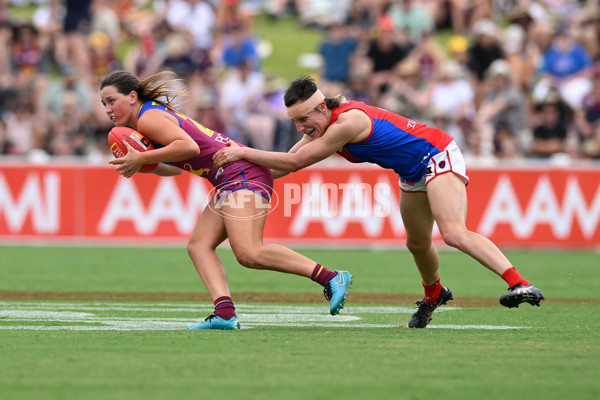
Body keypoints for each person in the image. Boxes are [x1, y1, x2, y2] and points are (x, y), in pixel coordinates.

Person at [213, 76, 545, 328]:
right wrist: (236, 173)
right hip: (411, 170)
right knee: (416, 243)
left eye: (304, 120)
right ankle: (434, 294)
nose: (301, 128)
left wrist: (242, 151)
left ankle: (520, 283)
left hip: (437, 155)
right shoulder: (321, 128)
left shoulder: (347, 122)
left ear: (321, 107)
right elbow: (283, 165)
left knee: (453, 234)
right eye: (296, 123)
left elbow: (295, 164)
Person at [98, 70, 352, 330]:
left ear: (131, 96)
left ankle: (331, 277)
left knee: (249, 252)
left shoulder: (148, 119)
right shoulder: (148, 119)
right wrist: (140, 164)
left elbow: (190, 148)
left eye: (111, 100)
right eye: (103, 103)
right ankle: (225, 314)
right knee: (199, 246)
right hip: (230, 176)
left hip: (240, 172)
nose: (107, 109)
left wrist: (140, 158)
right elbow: (174, 167)